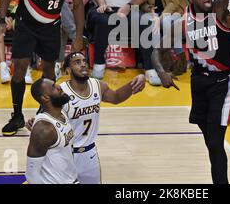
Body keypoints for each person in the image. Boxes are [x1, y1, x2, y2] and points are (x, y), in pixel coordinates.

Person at [152, 0, 230, 184]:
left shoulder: (218, 10)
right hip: (199, 83)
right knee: (211, 142)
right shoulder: (182, 23)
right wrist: (162, 72)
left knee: (215, 142)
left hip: (224, 83)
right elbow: (157, 51)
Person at [0, 0, 85, 136]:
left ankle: (44, 112)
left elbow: (78, 6)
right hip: (26, 27)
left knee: (48, 70)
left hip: (51, 28)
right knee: (19, 69)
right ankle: (17, 115)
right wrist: (2, 20)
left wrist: (78, 36)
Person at [27, 51, 146, 183]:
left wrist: (136, 81)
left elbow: (116, 97)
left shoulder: (98, 85)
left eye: (84, 61)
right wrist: (35, 122)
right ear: (67, 70)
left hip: (90, 153)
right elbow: (46, 115)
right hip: (67, 154)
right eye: (77, 62)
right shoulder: (61, 93)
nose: (83, 65)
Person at [26, 78, 78, 184]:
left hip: (71, 179)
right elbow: (31, 175)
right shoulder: (44, 129)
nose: (59, 87)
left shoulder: (61, 112)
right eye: (54, 87)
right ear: (45, 97)